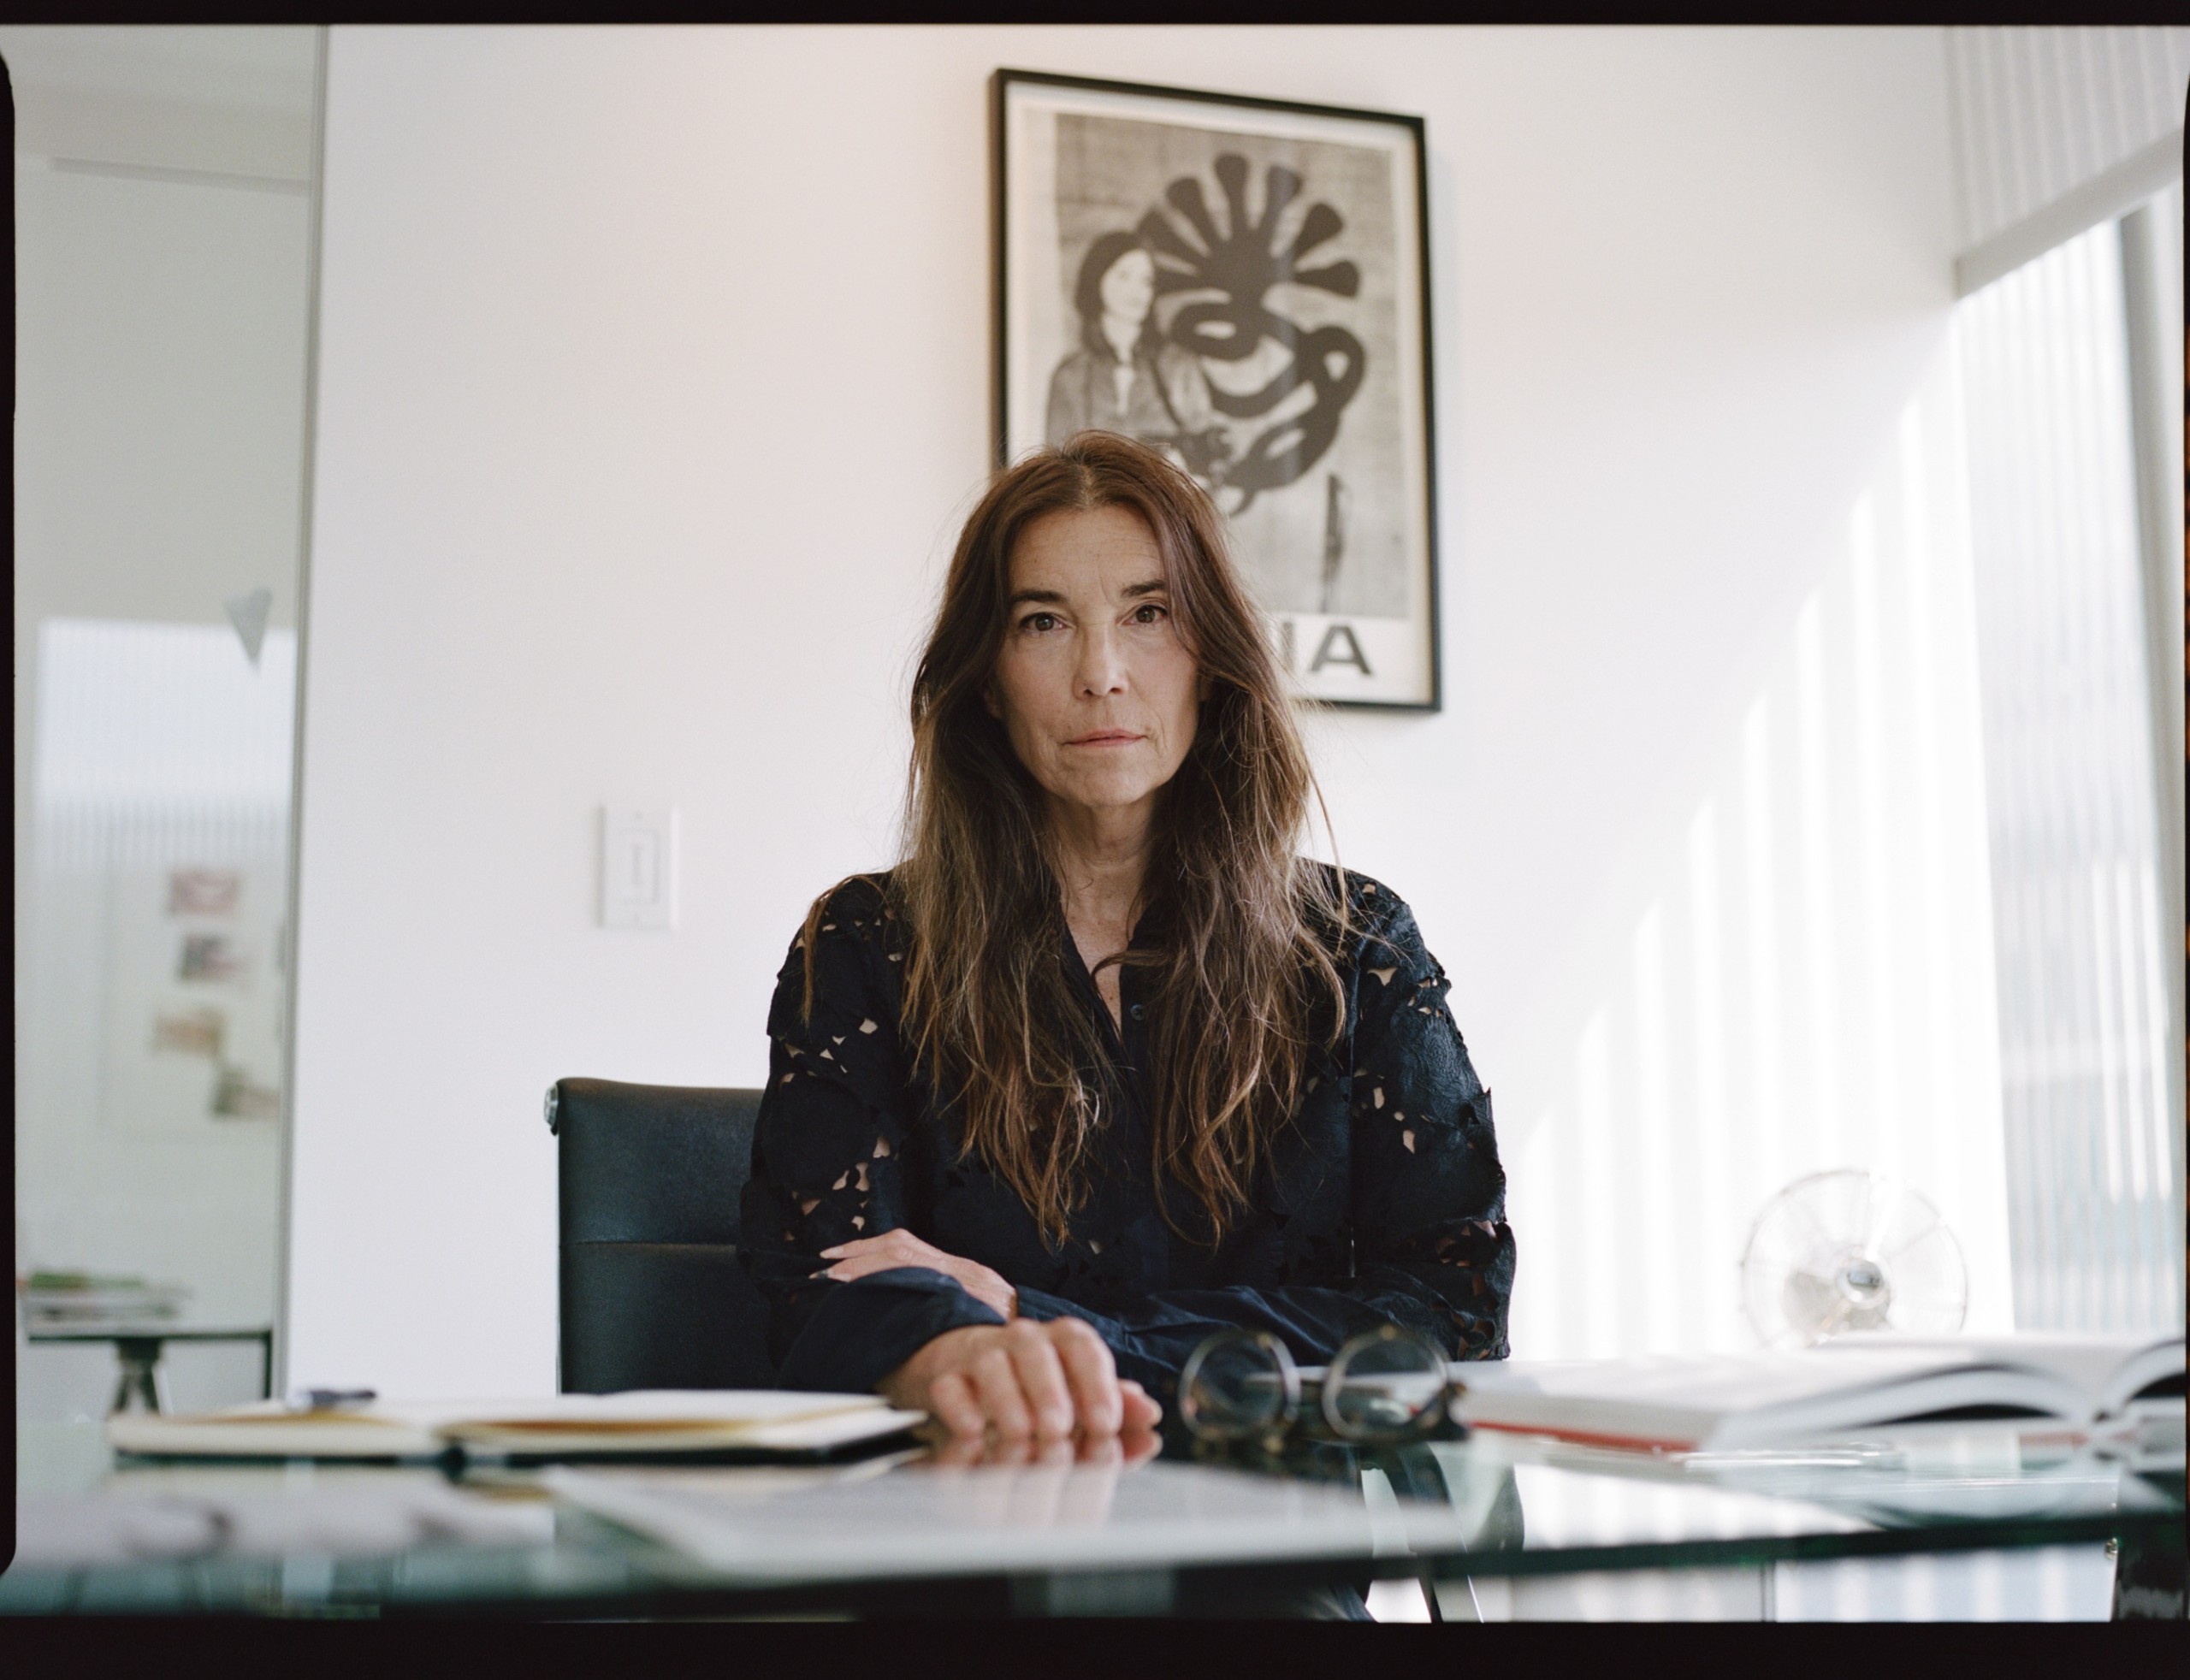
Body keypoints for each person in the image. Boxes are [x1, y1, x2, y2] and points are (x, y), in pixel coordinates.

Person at [740, 430, 1513, 1452]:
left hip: (1271, 1558)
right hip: (970, 1545)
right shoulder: (867, 942)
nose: (1100, 672)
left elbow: (1452, 1318)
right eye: (1042, 620)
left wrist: (1036, 1321)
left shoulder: (1357, 948)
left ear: (1212, 655)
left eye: (1148, 613)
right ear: (985, 676)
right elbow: (819, 1296)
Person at [1044, 232, 1228, 482]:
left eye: (1146, 280)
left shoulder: (1178, 365)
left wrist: (1187, 473)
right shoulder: (1071, 376)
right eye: (1124, 276)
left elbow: (1211, 463)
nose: (1137, 290)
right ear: (1097, 279)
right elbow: (1054, 475)